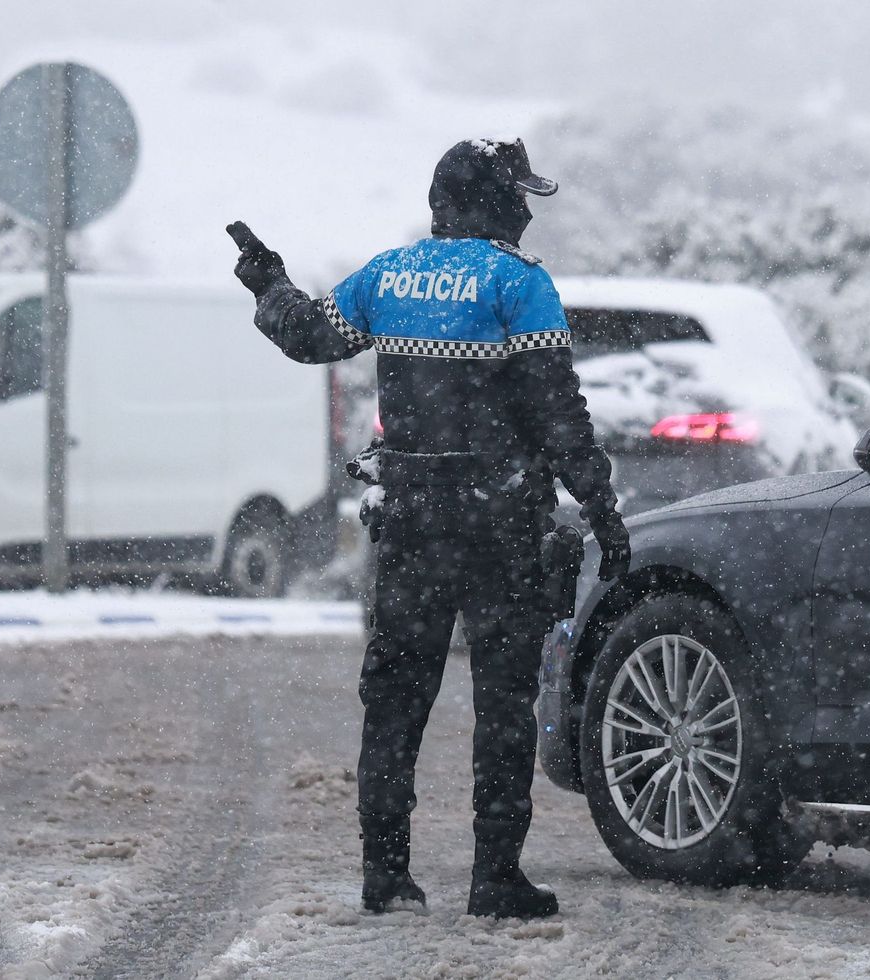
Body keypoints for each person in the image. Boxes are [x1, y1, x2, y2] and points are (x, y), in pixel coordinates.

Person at [228, 137, 630, 919]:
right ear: (491, 202)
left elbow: (311, 336)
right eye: (518, 197)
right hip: (503, 525)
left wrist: (268, 283)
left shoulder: (388, 274)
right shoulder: (520, 285)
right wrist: (602, 509)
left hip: (411, 524)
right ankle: (494, 878)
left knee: (396, 696)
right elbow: (560, 417)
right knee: (504, 704)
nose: (524, 212)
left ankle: (386, 875)